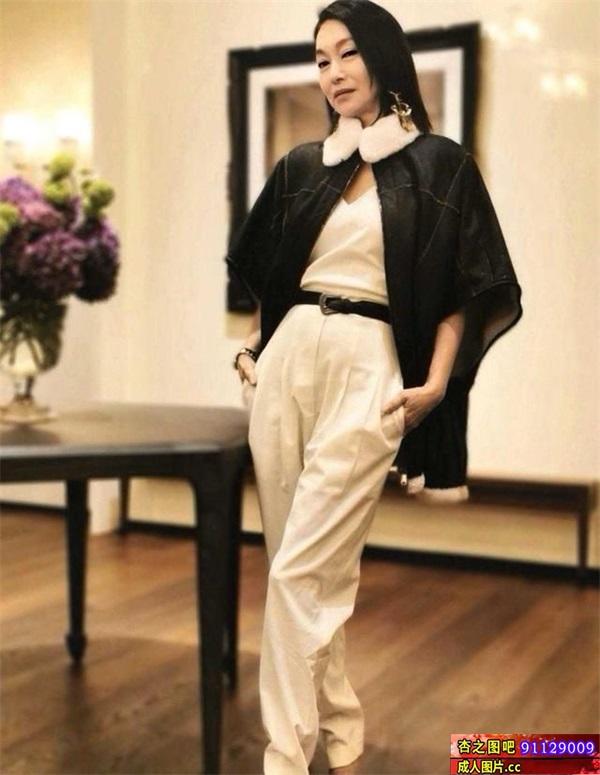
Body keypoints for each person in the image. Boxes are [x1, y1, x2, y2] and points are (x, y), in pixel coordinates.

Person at [226, 2, 523, 773]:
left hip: (370, 362)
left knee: (299, 570)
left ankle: (284, 756)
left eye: (347, 52)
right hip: (287, 361)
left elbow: (465, 287)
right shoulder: (303, 166)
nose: (332, 72)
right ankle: (340, 721)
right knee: (302, 565)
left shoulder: (440, 164)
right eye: (321, 59)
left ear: (383, 55)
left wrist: (435, 382)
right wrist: (255, 346)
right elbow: (274, 274)